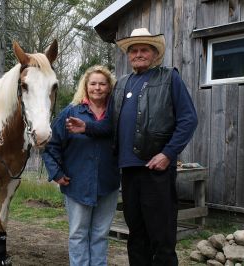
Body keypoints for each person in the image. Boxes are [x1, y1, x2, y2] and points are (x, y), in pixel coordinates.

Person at [66, 28, 198, 266]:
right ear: (128, 56)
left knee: (161, 235)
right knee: (136, 234)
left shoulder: (169, 78)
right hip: (128, 171)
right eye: (133, 50)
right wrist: (86, 128)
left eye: (144, 49)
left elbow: (188, 120)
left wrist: (167, 154)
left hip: (156, 171)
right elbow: (109, 124)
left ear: (154, 53)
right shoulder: (122, 84)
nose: (138, 54)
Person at [42, 65, 121, 266]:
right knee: (78, 235)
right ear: (85, 86)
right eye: (93, 83)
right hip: (77, 184)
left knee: (101, 235)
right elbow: (50, 146)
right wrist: (56, 172)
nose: (97, 88)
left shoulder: (116, 115)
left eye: (102, 84)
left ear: (109, 87)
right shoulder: (71, 112)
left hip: (108, 184)